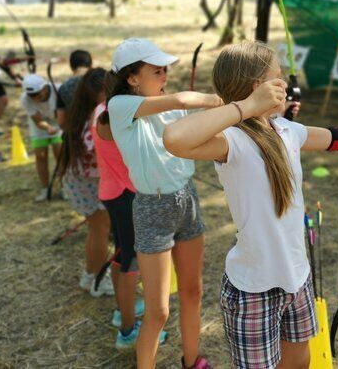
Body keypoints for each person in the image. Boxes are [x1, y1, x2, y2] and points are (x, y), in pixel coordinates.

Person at [161, 41, 338, 369]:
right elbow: (174, 139)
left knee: (300, 362)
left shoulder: (286, 131)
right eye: (278, 79)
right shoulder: (231, 140)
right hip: (254, 290)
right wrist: (246, 107)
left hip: (297, 277)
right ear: (258, 88)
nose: (287, 86)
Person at [105, 38, 221, 369]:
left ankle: (192, 360)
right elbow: (184, 98)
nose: (165, 76)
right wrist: (221, 101)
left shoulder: (169, 105)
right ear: (132, 78)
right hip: (152, 207)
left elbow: (199, 125)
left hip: (188, 198)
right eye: (157, 71)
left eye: (165, 70)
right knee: (158, 311)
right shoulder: (121, 106)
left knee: (193, 291)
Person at [92, 98, 149, 349]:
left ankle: (122, 312)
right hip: (125, 194)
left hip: (112, 192)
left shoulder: (102, 109)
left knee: (121, 254)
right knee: (131, 260)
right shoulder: (116, 114)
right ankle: (128, 331)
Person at [56, 68, 114, 297]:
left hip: (83, 182)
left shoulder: (84, 112)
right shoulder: (96, 119)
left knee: (97, 229)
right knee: (100, 229)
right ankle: (99, 279)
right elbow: (102, 156)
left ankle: (90, 275)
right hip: (87, 184)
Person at [20, 74, 63, 201]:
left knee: (60, 154)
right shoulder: (25, 99)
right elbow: (37, 121)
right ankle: (45, 189)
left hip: (60, 122)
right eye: (31, 96)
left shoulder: (58, 89)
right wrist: (48, 128)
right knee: (40, 155)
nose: (34, 98)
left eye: (37, 94)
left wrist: (59, 126)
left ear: (45, 88)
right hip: (40, 126)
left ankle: (64, 187)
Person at [56, 49, 92, 130]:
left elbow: (61, 121)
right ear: (90, 65)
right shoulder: (102, 80)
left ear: (71, 67)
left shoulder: (64, 88)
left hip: (78, 133)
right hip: (103, 134)